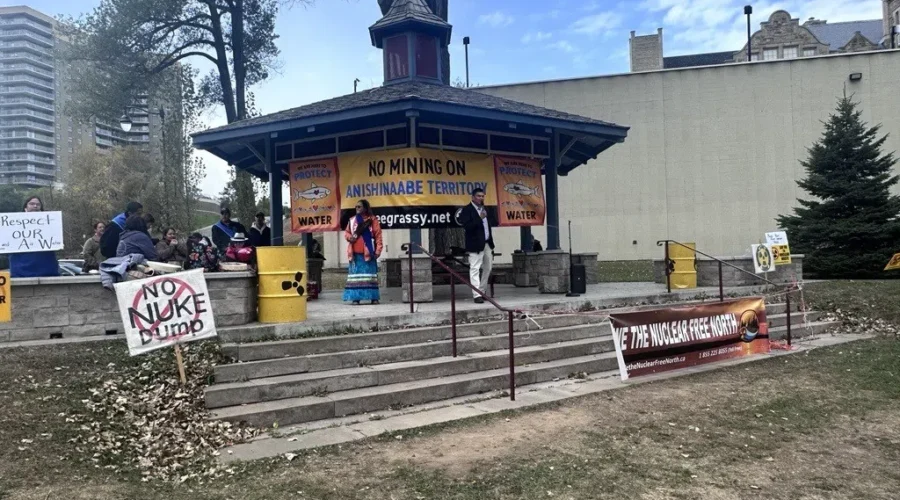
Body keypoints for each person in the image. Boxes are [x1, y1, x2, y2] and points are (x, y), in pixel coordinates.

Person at [457, 188, 494, 303]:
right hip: (475, 244)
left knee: (488, 268)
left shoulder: (484, 209)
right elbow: (467, 227)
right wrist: (480, 218)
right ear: (473, 197)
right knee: (475, 268)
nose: (481, 198)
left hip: (487, 243)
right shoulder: (467, 210)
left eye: (483, 196)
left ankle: (482, 291)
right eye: (478, 196)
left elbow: (488, 226)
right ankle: (476, 294)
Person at [343, 199, 383, 305]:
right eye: (356, 207)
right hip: (355, 255)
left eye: (359, 207)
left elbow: (378, 236)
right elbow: (347, 232)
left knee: (370, 277)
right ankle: (355, 298)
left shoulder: (373, 220)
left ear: (365, 208)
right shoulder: (352, 220)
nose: (357, 208)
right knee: (355, 278)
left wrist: (378, 250)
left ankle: (373, 298)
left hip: (368, 254)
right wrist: (349, 237)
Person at [8, 196, 59, 278]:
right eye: (32, 204)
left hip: (48, 271)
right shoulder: (12, 224)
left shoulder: (51, 224)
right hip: (20, 272)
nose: (35, 206)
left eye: (38, 204)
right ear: (25, 208)